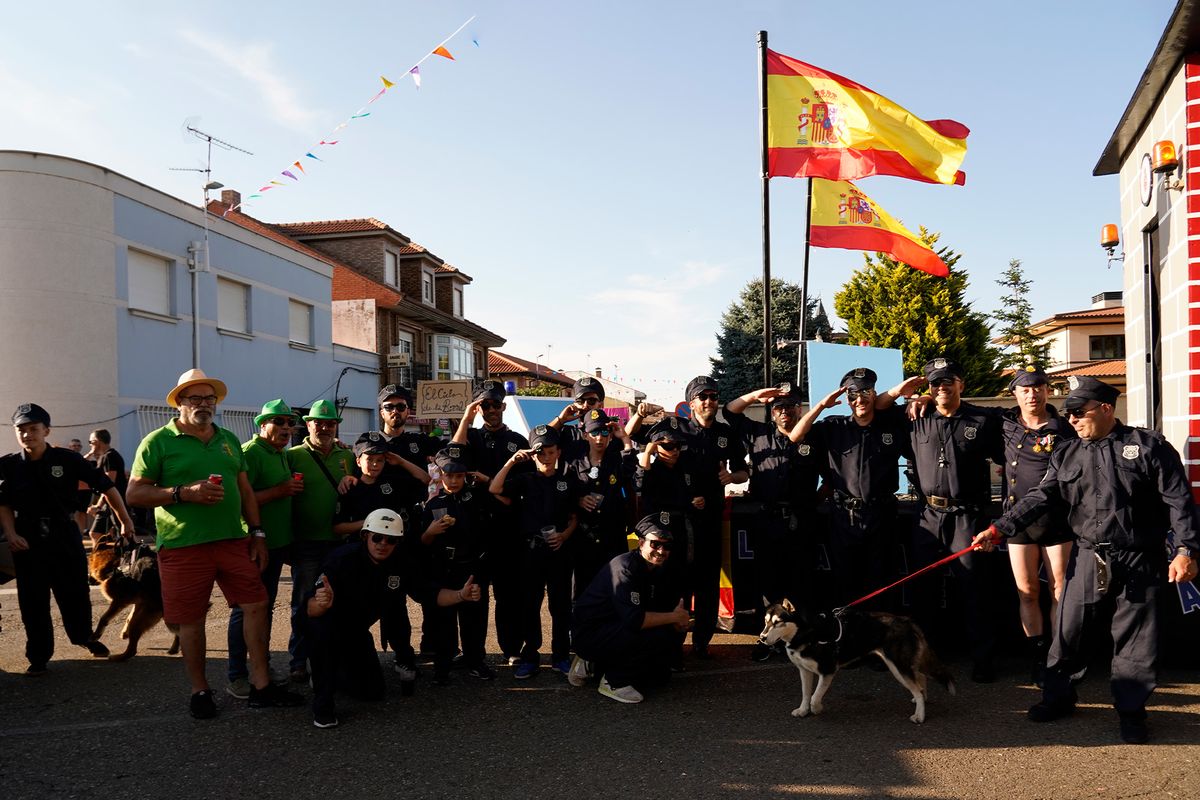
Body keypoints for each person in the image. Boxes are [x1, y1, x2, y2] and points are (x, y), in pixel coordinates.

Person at [972, 377, 1200, 744]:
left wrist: (1186, 549)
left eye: (1079, 412)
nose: (1073, 420)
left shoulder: (1147, 447)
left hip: (1139, 557)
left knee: (1136, 640)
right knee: (1067, 632)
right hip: (1088, 555)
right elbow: (1040, 497)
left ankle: (1131, 712)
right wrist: (999, 529)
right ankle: (1058, 698)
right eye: (1069, 414)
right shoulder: (1066, 452)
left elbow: (1179, 501)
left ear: (1106, 409)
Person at [126, 370, 303, 717]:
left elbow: (245, 491)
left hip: (233, 541)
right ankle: (200, 690)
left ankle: (261, 685)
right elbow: (135, 492)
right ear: (180, 402)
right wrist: (182, 493)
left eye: (210, 399)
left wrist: (257, 533)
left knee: (256, 604)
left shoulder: (228, 440)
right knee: (191, 620)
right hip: (182, 545)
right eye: (195, 398)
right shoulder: (157, 441)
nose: (204, 405)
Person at [304, 508, 482, 728]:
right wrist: (322, 603)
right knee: (324, 640)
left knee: (372, 692)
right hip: (327, 627)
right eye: (377, 537)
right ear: (365, 536)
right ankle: (323, 702)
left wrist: (460, 595)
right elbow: (310, 610)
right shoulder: (341, 560)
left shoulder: (403, 563)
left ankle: (334, 673)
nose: (383, 544)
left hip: (357, 631)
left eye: (391, 540)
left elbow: (431, 594)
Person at [0, 403, 134, 674]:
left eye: (33, 429)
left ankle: (83, 636)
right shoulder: (10, 465)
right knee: (32, 600)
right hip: (28, 539)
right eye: (21, 430)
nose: (27, 435)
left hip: (63, 534)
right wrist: (12, 533)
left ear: (46, 430)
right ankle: (38, 657)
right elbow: (2, 503)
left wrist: (125, 520)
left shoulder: (68, 460)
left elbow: (107, 487)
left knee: (74, 593)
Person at [629, 376, 746, 659]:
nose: (709, 401)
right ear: (691, 402)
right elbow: (634, 437)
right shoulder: (675, 428)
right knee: (676, 582)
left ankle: (702, 642)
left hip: (709, 519)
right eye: (702, 396)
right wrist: (638, 413)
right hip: (677, 521)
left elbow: (743, 471)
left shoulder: (726, 433)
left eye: (713, 396)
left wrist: (731, 476)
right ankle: (673, 644)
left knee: (707, 584)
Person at [905, 357, 1004, 683]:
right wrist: (913, 396)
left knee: (975, 590)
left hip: (968, 516)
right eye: (935, 383)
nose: (942, 387)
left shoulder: (984, 419)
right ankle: (925, 657)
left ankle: (984, 659)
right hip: (929, 516)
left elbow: (1013, 454)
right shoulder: (915, 418)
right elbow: (871, 409)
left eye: (948, 381)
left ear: (961, 384)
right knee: (924, 591)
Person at [789, 370, 922, 609]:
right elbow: (796, 436)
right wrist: (821, 405)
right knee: (845, 583)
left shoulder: (891, 426)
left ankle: (881, 642)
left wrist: (923, 398)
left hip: (882, 516)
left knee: (882, 583)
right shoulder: (833, 427)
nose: (859, 400)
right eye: (852, 395)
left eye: (865, 392)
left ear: (874, 394)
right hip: (844, 518)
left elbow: (906, 409)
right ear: (846, 400)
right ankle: (848, 640)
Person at [724, 382, 822, 660]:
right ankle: (769, 641)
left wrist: (810, 505)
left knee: (803, 586)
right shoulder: (758, 434)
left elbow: (831, 477)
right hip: (767, 522)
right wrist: (756, 395)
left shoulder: (814, 437)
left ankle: (803, 642)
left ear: (799, 408)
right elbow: (731, 412)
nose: (784, 412)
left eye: (790, 406)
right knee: (768, 588)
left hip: (802, 521)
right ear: (771, 411)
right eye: (778, 407)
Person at [999, 367, 1077, 685]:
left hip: (1054, 521)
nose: (1032, 394)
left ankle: (1057, 658)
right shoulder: (1003, 423)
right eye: (1025, 389)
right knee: (1028, 592)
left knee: (1059, 590)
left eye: (1038, 387)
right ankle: (1038, 653)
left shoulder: (1063, 429)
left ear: (1047, 390)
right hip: (1016, 521)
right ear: (1015, 394)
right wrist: (919, 399)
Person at [489, 424, 581, 679]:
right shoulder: (524, 480)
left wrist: (564, 535)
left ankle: (561, 656)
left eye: (550, 451)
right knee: (529, 606)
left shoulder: (567, 482)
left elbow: (575, 517)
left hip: (559, 551)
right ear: (533, 453)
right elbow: (495, 489)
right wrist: (511, 461)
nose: (545, 457)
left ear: (558, 452)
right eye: (540, 452)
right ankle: (530, 656)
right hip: (530, 553)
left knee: (560, 607)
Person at [225, 399, 303, 699]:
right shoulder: (251, 453)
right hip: (256, 545)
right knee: (246, 610)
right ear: (262, 425)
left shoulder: (279, 453)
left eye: (289, 423)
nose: (286, 428)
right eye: (279, 423)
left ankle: (261, 667)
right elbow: (240, 501)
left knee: (265, 610)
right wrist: (279, 491)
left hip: (280, 544)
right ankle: (236, 675)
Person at [571, 512, 689, 704]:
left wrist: (676, 622)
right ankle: (613, 681)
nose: (661, 550)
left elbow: (660, 609)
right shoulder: (625, 567)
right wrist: (674, 618)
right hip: (591, 632)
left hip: (614, 626)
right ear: (641, 543)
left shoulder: (657, 569)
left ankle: (594, 666)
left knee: (660, 677)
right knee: (651, 633)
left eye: (667, 546)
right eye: (655, 544)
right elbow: (635, 619)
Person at [451, 380, 530, 663]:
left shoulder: (518, 442)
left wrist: (491, 484)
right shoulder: (470, 437)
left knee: (509, 595)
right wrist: (466, 417)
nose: (491, 409)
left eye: (496, 404)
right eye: (485, 404)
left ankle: (511, 650)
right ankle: (474, 653)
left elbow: (524, 484)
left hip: (508, 526)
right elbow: (453, 454)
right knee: (475, 594)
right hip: (475, 527)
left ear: (504, 406)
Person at [286, 399, 356, 683]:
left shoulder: (347, 456)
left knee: (338, 600)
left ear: (336, 425)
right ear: (308, 424)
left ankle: (332, 655)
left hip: (340, 541)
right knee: (303, 601)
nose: (324, 427)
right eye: (319, 422)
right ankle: (298, 659)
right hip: (307, 542)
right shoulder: (292, 456)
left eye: (330, 423)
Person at [373, 384, 438, 660]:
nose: (395, 411)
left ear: (408, 411)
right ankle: (401, 650)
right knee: (392, 591)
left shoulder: (420, 442)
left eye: (401, 406)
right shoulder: (370, 441)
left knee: (427, 586)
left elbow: (430, 476)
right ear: (381, 412)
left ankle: (432, 645)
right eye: (389, 407)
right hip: (384, 527)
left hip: (416, 522)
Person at [420, 445, 494, 683]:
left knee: (475, 617)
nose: (453, 480)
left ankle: (475, 660)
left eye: (458, 475)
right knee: (444, 620)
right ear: (440, 475)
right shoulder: (432, 504)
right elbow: (422, 542)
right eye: (448, 475)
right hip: (444, 569)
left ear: (466, 476)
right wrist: (431, 531)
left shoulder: (478, 497)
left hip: (473, 566)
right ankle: (443, 665)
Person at [559, 409, 638, 599]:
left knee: (615, 589)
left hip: (612, 535)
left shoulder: (616, 460)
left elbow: (631, 473)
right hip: (583, 537)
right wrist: (578, 500)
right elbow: (563, 493)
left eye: (604, 432)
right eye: (594, 433)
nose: (599, 438)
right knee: (581, 590)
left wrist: (625, 438)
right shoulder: (574, 463)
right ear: (586, 435)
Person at [83, 428, 127, 545]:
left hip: (114, 502)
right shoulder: (105, 456)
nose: (90, 444)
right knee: (96, 533)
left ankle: (131, 557)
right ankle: (103, 560)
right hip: (109, 503)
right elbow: (79, 464)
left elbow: (108, 484)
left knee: (124, 533)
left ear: (97, 441)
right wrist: (91, 453)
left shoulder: (110, 456)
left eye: (91, 442)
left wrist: (98, 505)